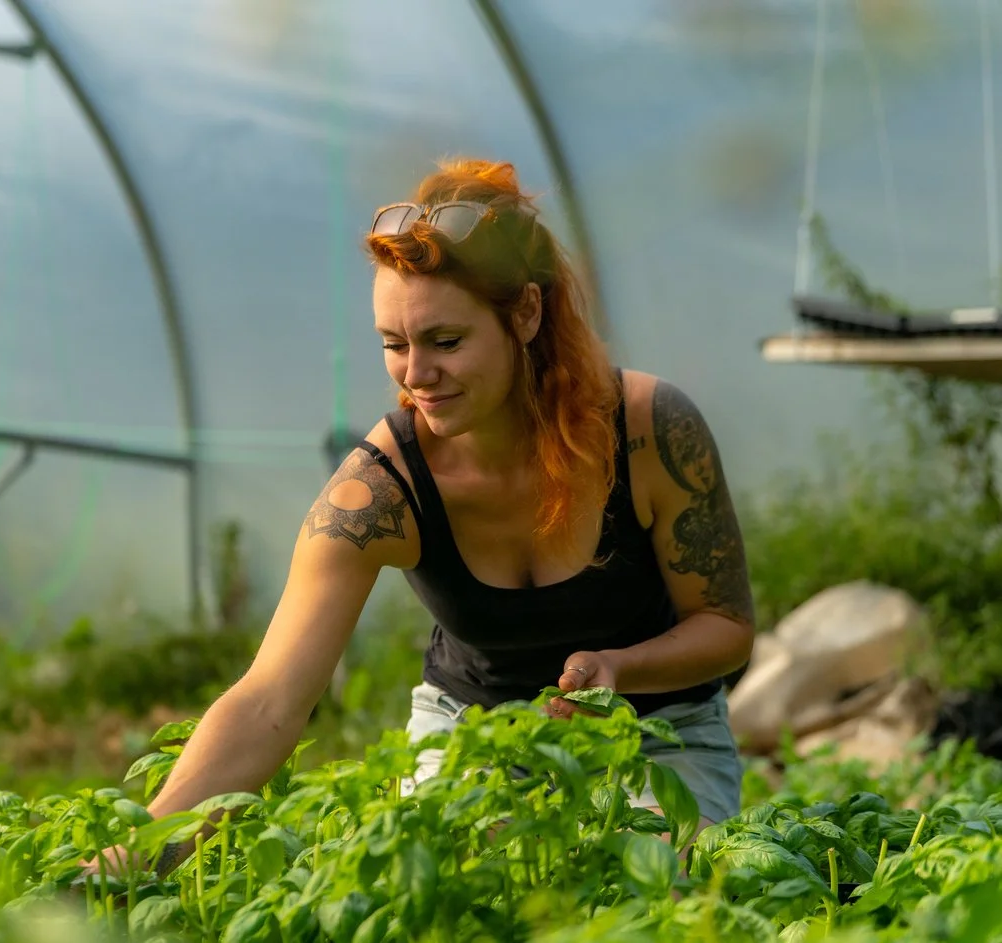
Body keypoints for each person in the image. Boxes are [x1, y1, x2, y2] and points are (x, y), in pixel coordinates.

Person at [93, 157, 754, 876]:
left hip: (657, 734)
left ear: (526, 313)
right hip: (473, 735)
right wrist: (136, 855)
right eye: (392, 344)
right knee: (439, 889)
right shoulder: (382, 488)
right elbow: (269, 701)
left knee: (654, 883)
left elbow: (726, 629)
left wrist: (618, 669)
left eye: (445, 341)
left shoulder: (647, 431)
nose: (416, 374)